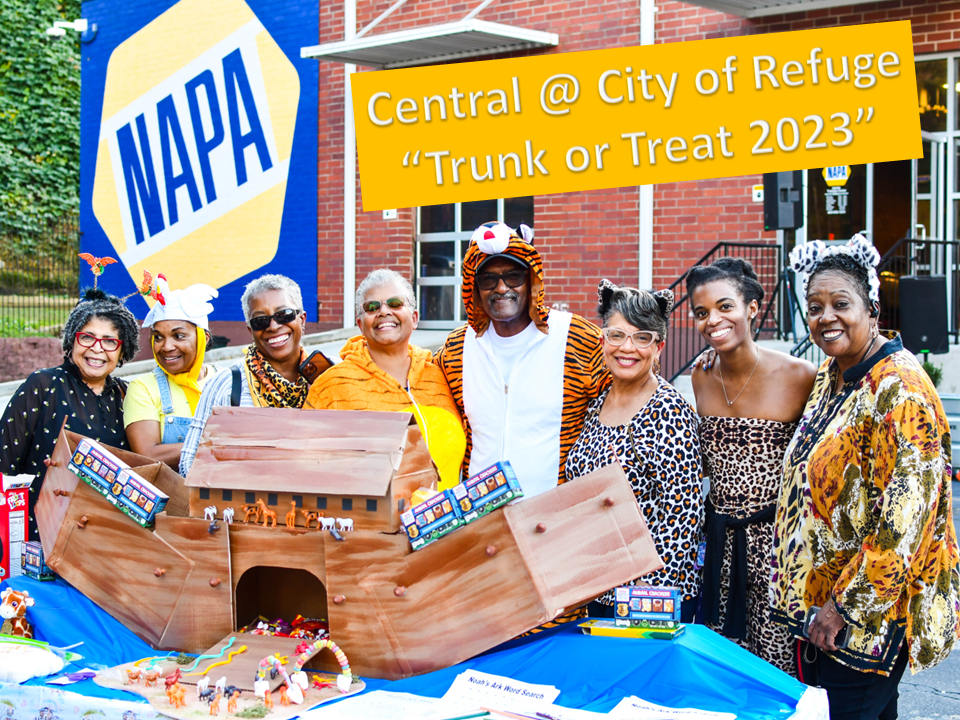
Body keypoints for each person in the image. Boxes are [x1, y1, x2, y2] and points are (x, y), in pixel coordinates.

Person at [771, 236, 959, 719]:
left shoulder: (902, 389)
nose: (826, 317)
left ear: (872, 309)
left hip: (865, 616)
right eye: (814, 307)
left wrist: (843, 608)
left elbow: (905, 526)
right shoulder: (833, 375)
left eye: (841, 304)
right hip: (822, 611)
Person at [688, 257, 816, 675]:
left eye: (725, 307)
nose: (713, 321)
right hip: (721, 549)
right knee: (724, 670)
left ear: (753, 309)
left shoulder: (802, 375)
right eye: (701, 312)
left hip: (780, 552)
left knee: (778, 672)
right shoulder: (700, 377)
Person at [436, 222, 607, 497]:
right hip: (481, 518)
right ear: (474, 287)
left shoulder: (577, 337)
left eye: (513, 276)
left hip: (556, 515)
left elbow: (631, 385)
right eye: (488, 280)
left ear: (531, 280)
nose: (501, 288)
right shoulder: (457, 348)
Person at [565, 280, 703, 622]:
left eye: (642, 337)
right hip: (599, 588)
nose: (627, 348)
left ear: (659, 348)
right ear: (602, 340)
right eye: (617, 335)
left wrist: (641, 601)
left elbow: (681, 516)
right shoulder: (596, 406)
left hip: (650, 600)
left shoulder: (668, 410)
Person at [304, 269, 466, 488]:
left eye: (395, 303)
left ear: (414, 318)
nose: (383, 311)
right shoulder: (331, 386)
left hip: (451, 519)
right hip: (371, 520)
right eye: (372, 307)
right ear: (361, 325)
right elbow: (306, 466)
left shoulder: (440, 375)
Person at [0, 289, 141, 538]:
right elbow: (4, 465)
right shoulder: (43, 385)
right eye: (87, 337)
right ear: (72, 340)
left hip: (109, 539)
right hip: (40, 536)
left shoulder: (127, 396)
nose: (97, 349)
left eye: (110, 341)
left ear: (122, 350)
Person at [179, 274, 310, 477]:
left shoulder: (330, 376)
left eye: (284, 314)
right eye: (260, 321)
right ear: (250, 330)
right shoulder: (227, 384)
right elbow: (190, 462)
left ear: (301, 319)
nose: (273, 327)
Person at [123, 281, 220, 469]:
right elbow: (147, 455)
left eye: (179, 336)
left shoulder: (228, 381)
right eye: (158, 337)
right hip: (173, 496)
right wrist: (216, 442)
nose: (166, 347)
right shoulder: (143, 388)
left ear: (203, 337)